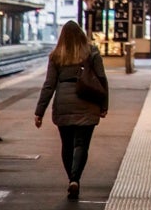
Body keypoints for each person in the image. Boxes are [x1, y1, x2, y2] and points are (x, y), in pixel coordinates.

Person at [34, 20, 108, 200]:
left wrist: (39, 111)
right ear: (81, 34)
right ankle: (76, 178)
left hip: (63, 104)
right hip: (88, 102)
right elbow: (102, 79)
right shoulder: (92, 52)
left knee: (67, 145)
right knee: (81, 144)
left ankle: (71, 179)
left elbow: (49, 85)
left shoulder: (56, 55)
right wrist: (104, 105)